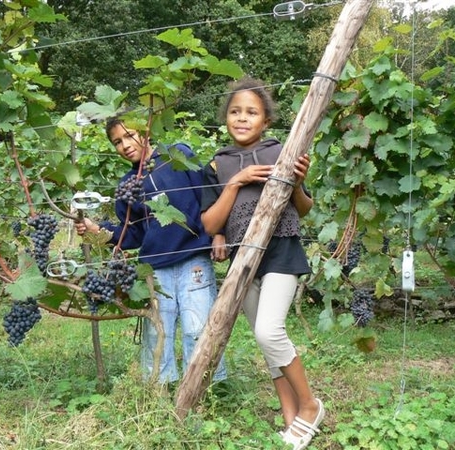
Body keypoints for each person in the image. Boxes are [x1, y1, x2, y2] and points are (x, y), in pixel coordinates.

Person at [199, 76, 324, 450]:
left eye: (251, 112)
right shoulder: (218, 164)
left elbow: (303, 209)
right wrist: (234, 182)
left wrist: (299, 184)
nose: (242, 118)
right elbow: (209, 223)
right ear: (226, 119)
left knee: (269, 331)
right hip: (243, 258)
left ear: (265, 121)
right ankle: (290, 421)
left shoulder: (281, 151)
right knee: (266, 343)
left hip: (281, 248)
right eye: (235, 112)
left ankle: (310, 405)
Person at [75, 117, 228, 386]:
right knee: (159, 333)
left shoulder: (177, 156)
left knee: (199, 328)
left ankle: (206, 387)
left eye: (129, 135)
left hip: (194, 258)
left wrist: (219, 233)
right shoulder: (128, 185)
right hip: (155, 269)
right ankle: (160, 388)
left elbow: (208, 196)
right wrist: (98, 230)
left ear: (145, 131)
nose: (124, 145)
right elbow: (131, 233)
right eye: (117, 142)